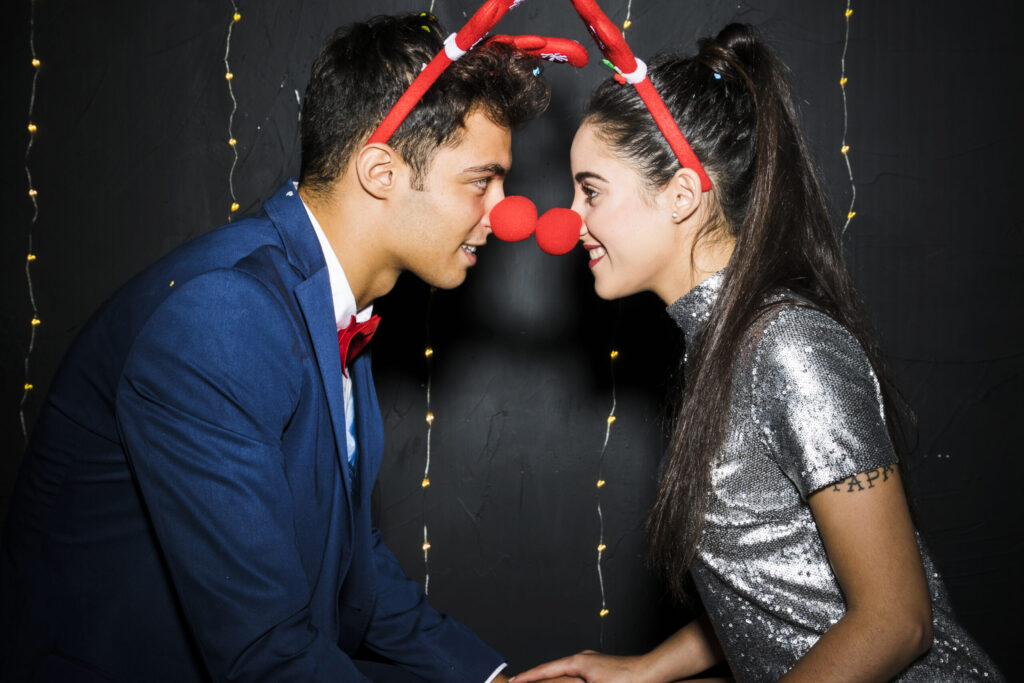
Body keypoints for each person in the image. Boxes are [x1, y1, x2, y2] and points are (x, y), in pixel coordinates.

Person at [0, 13, 549, 683]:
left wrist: (490, 678)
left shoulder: (325, 297)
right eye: (480, 181)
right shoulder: (225, 317)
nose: (504, 212)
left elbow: (353, 562)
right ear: (380, 170)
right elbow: (265, 654)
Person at [512, 23, 1002, 683]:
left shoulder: (791, 347)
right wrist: (649, 668)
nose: (569, 221)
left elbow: (896, 620)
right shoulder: (716, 346)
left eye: (591, 190)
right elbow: (767, 584)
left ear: (682, 195)